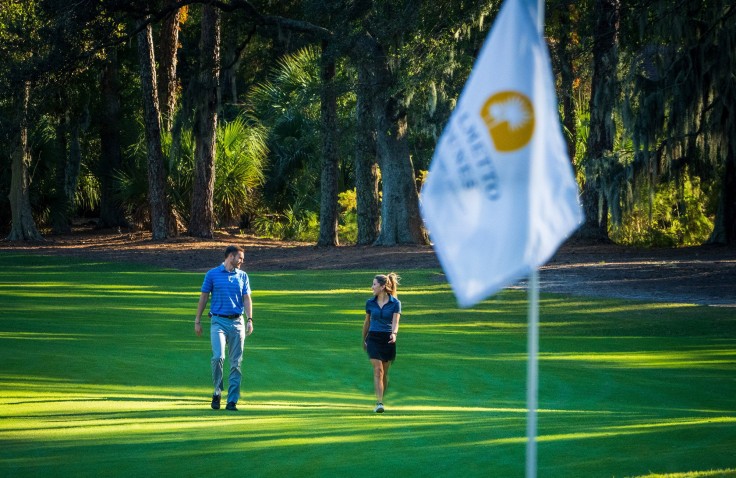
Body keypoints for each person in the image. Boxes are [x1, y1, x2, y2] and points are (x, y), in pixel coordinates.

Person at [195, 245, 253, 411]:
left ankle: (232, 401)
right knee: (218, 357)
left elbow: (247, 299)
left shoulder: (242, 276)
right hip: (218, 322)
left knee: (236, 363)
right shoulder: (212, 274)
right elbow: (204, 297)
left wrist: (249, 319)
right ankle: (217, 392)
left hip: (237, 323)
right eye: (240, 258)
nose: (242, 261)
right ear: (231, 257)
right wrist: (197, 320)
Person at [362, 272, 401, 413]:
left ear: (383, 286)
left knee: (384, 373)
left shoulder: (395, 303)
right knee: (378, 370)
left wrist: (394, 334)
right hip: (373, 338)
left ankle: (381, 399)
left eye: (374, 284)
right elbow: (367, 322)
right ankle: (379, 403)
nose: (372, 287)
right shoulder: (370, 303)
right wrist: (364, 339)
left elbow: (396, 322)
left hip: (388, 339)